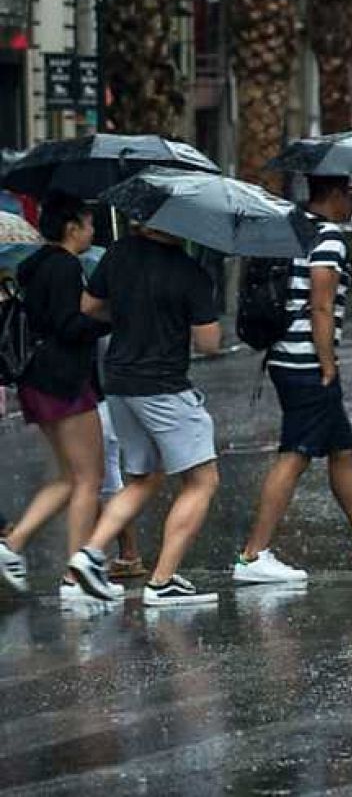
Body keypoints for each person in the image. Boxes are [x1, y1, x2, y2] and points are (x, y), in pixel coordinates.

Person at [235, 177, 352, 584]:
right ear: (334, 195)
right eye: (350, 194)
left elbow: (308, 288)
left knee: (342, 451)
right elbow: (320, 303)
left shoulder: (294, 225)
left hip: (284, 356)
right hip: (307, 362)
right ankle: (253, 554)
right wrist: (327, 363)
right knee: (295, 454)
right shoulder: (330, 236)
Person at [68, 223, 224, 606]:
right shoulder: (190, 272)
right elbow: (209, 343)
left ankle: (89, 554)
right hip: (164, 386)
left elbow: (89, 306)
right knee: (202, 480)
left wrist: (128, 316)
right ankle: (163, 579)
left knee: (143, 477)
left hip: (119, 380)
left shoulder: (118, 253)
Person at [0, 199, 113, 597]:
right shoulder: (65, 266)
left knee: (68, 477)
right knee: (89, 478)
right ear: (70, 227)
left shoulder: (33, 265)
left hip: (36, 377)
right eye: (87, 222)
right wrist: (107, 321)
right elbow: (67, 324)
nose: (92, 229)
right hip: (64, 379)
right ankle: (75, 574)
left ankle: (11, 546)